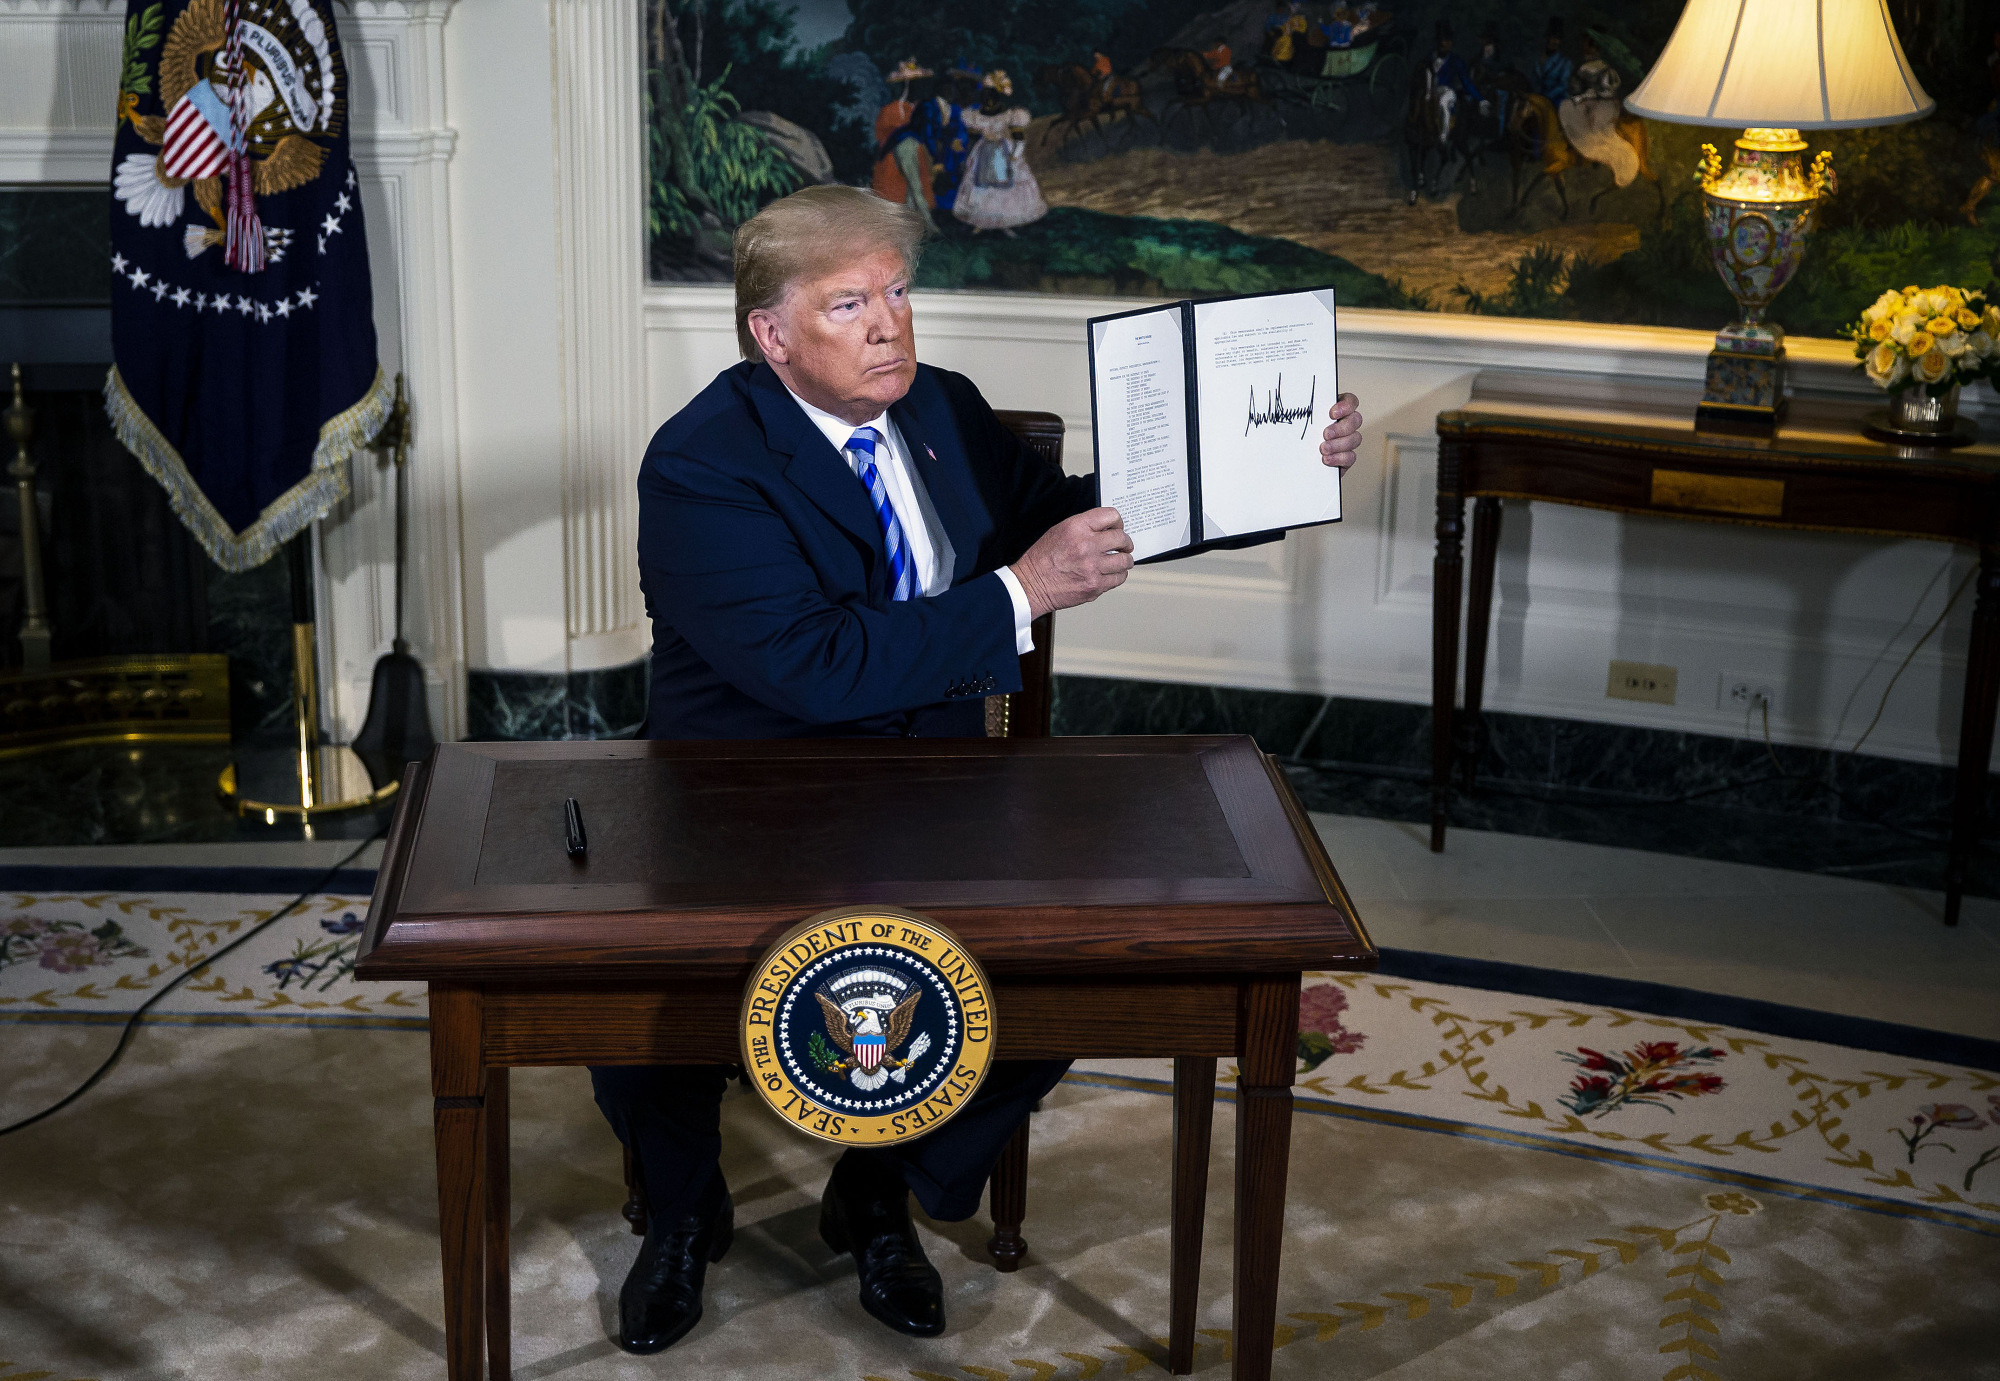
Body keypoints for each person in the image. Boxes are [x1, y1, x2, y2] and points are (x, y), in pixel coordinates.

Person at [604, 184, 1366, 1355]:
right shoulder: (702, 462)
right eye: (849, 301)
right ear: (771, 334)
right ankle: (686, 1205)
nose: (888, 325)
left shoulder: (943, 411)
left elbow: (1083, 518)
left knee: (1080, 960)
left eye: (898, 292)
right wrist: (1021, 591)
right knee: (631, 986)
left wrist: (1272, 463)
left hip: (941, 784)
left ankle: (883, 1184)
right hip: (748, 791)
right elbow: (814, 665)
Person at [953, 71, 1046, 235]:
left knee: (1005, 186)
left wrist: (1014, 156)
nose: (988, 100)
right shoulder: (975, 115)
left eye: (991, 96)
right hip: (983, 152)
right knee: (980, 186)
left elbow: (1019, 138)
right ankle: (980, 221)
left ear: (998, 96)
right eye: (985, 96)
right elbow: (970, 133)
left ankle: (1005, 223)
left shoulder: (1010, 115)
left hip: (1004, 151)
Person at [1559, 33, 1639, 188]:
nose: (1584, 48)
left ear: (1594, 48)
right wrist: (1581, 97)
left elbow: (1610, 89)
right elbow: (1577, 88)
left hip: (1605, 104)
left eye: (1587, 45)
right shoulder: (1583, 67)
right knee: (1567, 106)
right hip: (1589, 101)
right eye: (1584, 45)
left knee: (1596, 125)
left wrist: (1591, 95)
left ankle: (1611, 158)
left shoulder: (1604, 69)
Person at [871, 58, 936, 226]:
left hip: (916, 151)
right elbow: (883, 134)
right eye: (913, 85)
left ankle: (920, 221)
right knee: (903, 188)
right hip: (895, 154)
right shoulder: (891, 109)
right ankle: (919, 223)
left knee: (915, 187)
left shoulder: (922, 108)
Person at [1535, 17, 1572, 108]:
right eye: (1552, 38)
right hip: (1540, 96)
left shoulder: (1565, 62)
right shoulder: (1540, 60)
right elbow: (1536, 80)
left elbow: (1563, 85)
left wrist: (1547, 97)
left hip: (1557, 99)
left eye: (1557, 39)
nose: (1554, 42)